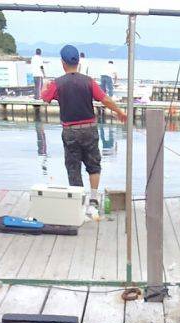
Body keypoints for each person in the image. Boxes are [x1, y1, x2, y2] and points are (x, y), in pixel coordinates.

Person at [41, 45, 127, 208]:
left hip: (70, 131)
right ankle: (93, 198)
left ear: (62, 63)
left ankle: (78, 202)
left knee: (73, 166)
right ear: (78, 63)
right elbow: (105, 99)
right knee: (93, 164)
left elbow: (44, 98)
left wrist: (46, 85)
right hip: (89, 129)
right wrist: (119, 112)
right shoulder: (88, 82)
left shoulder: (57, 83)